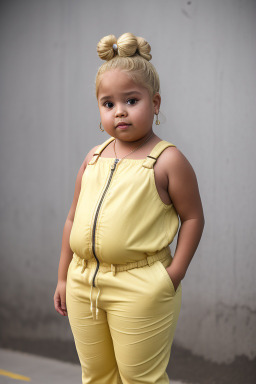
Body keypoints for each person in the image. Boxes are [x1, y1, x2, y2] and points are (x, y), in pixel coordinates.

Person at [53, 32, 204, 384]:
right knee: (97, 376)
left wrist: (172, 276)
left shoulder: (167, 160)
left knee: (140, 379)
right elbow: (72, 218)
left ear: (155, 103)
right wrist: (62, 277)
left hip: (142, 286)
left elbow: (193, 217)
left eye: (131, 100)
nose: (119, 111)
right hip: (82, 283)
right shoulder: (93, 158)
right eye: (108, 104)